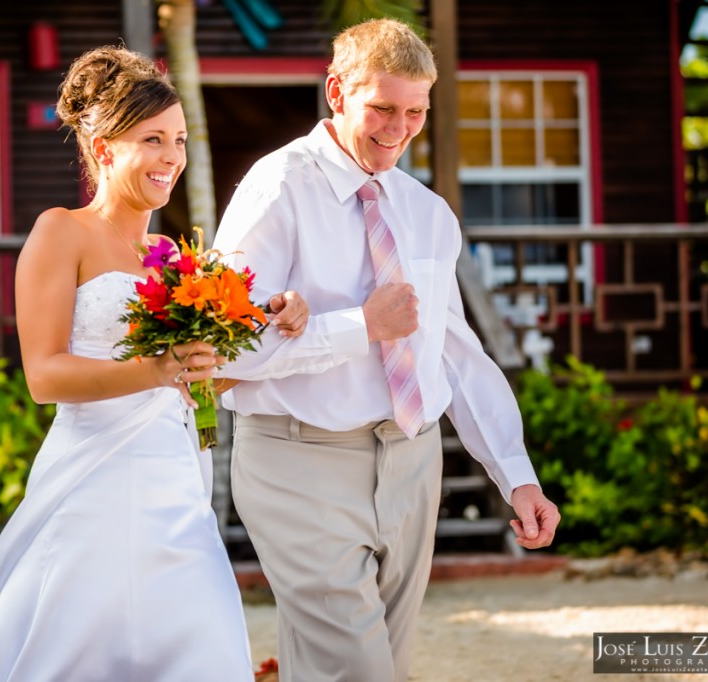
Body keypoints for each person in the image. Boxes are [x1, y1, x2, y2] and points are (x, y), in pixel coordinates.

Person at [0, 46, 308, 681]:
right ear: (103, 149)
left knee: (199, 646)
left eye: (180, 140)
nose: (172, 158)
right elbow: (44, 376)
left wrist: (274, 322)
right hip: (94, 476)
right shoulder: (61, 232)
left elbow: (201, 375)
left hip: (177, 480)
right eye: (153, 139)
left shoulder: (172, 254)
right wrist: (156, 371)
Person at [212, 18, 561, 682]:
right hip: (297, 461)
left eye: (415, 112)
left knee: (368, 667)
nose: (398, 128)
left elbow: (455, 358)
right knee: (360, 672)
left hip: (412, 464)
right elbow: (224, 349)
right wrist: (359, 326)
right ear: (337, 91)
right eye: (381, 108)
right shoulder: (276, 187)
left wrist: (516, 476)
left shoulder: (428, 213)